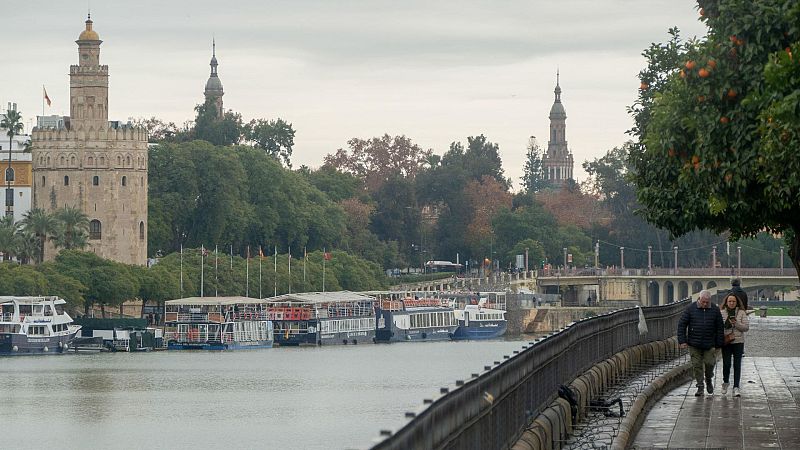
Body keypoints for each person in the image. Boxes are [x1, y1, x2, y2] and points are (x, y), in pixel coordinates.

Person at [677, 290, 724, 397]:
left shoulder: (715, 310)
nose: (705, 304)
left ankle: (708, 379)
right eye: (703, 302)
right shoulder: (691, 309)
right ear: (699, 299)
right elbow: (682, 324)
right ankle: (700, 386)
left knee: (709, 363)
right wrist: (682, 341)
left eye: (707, 302)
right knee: (697, 365)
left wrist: (719, 343)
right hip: (694, 343)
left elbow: (720, 327)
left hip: (709, 343)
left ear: (710, 300)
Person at [720, 293, 749, 396]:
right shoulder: (722, 312)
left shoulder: (741, 313)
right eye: (729, 301)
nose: (731, 303)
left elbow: (746, 327)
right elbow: (718, 327)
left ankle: (736, 387)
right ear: (726, 302)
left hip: (738, 342)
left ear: (736, 302)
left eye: (733, 301)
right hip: (726, 341)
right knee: (726, 364)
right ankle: (725, 382)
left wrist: (736, 323)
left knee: (737, 365)